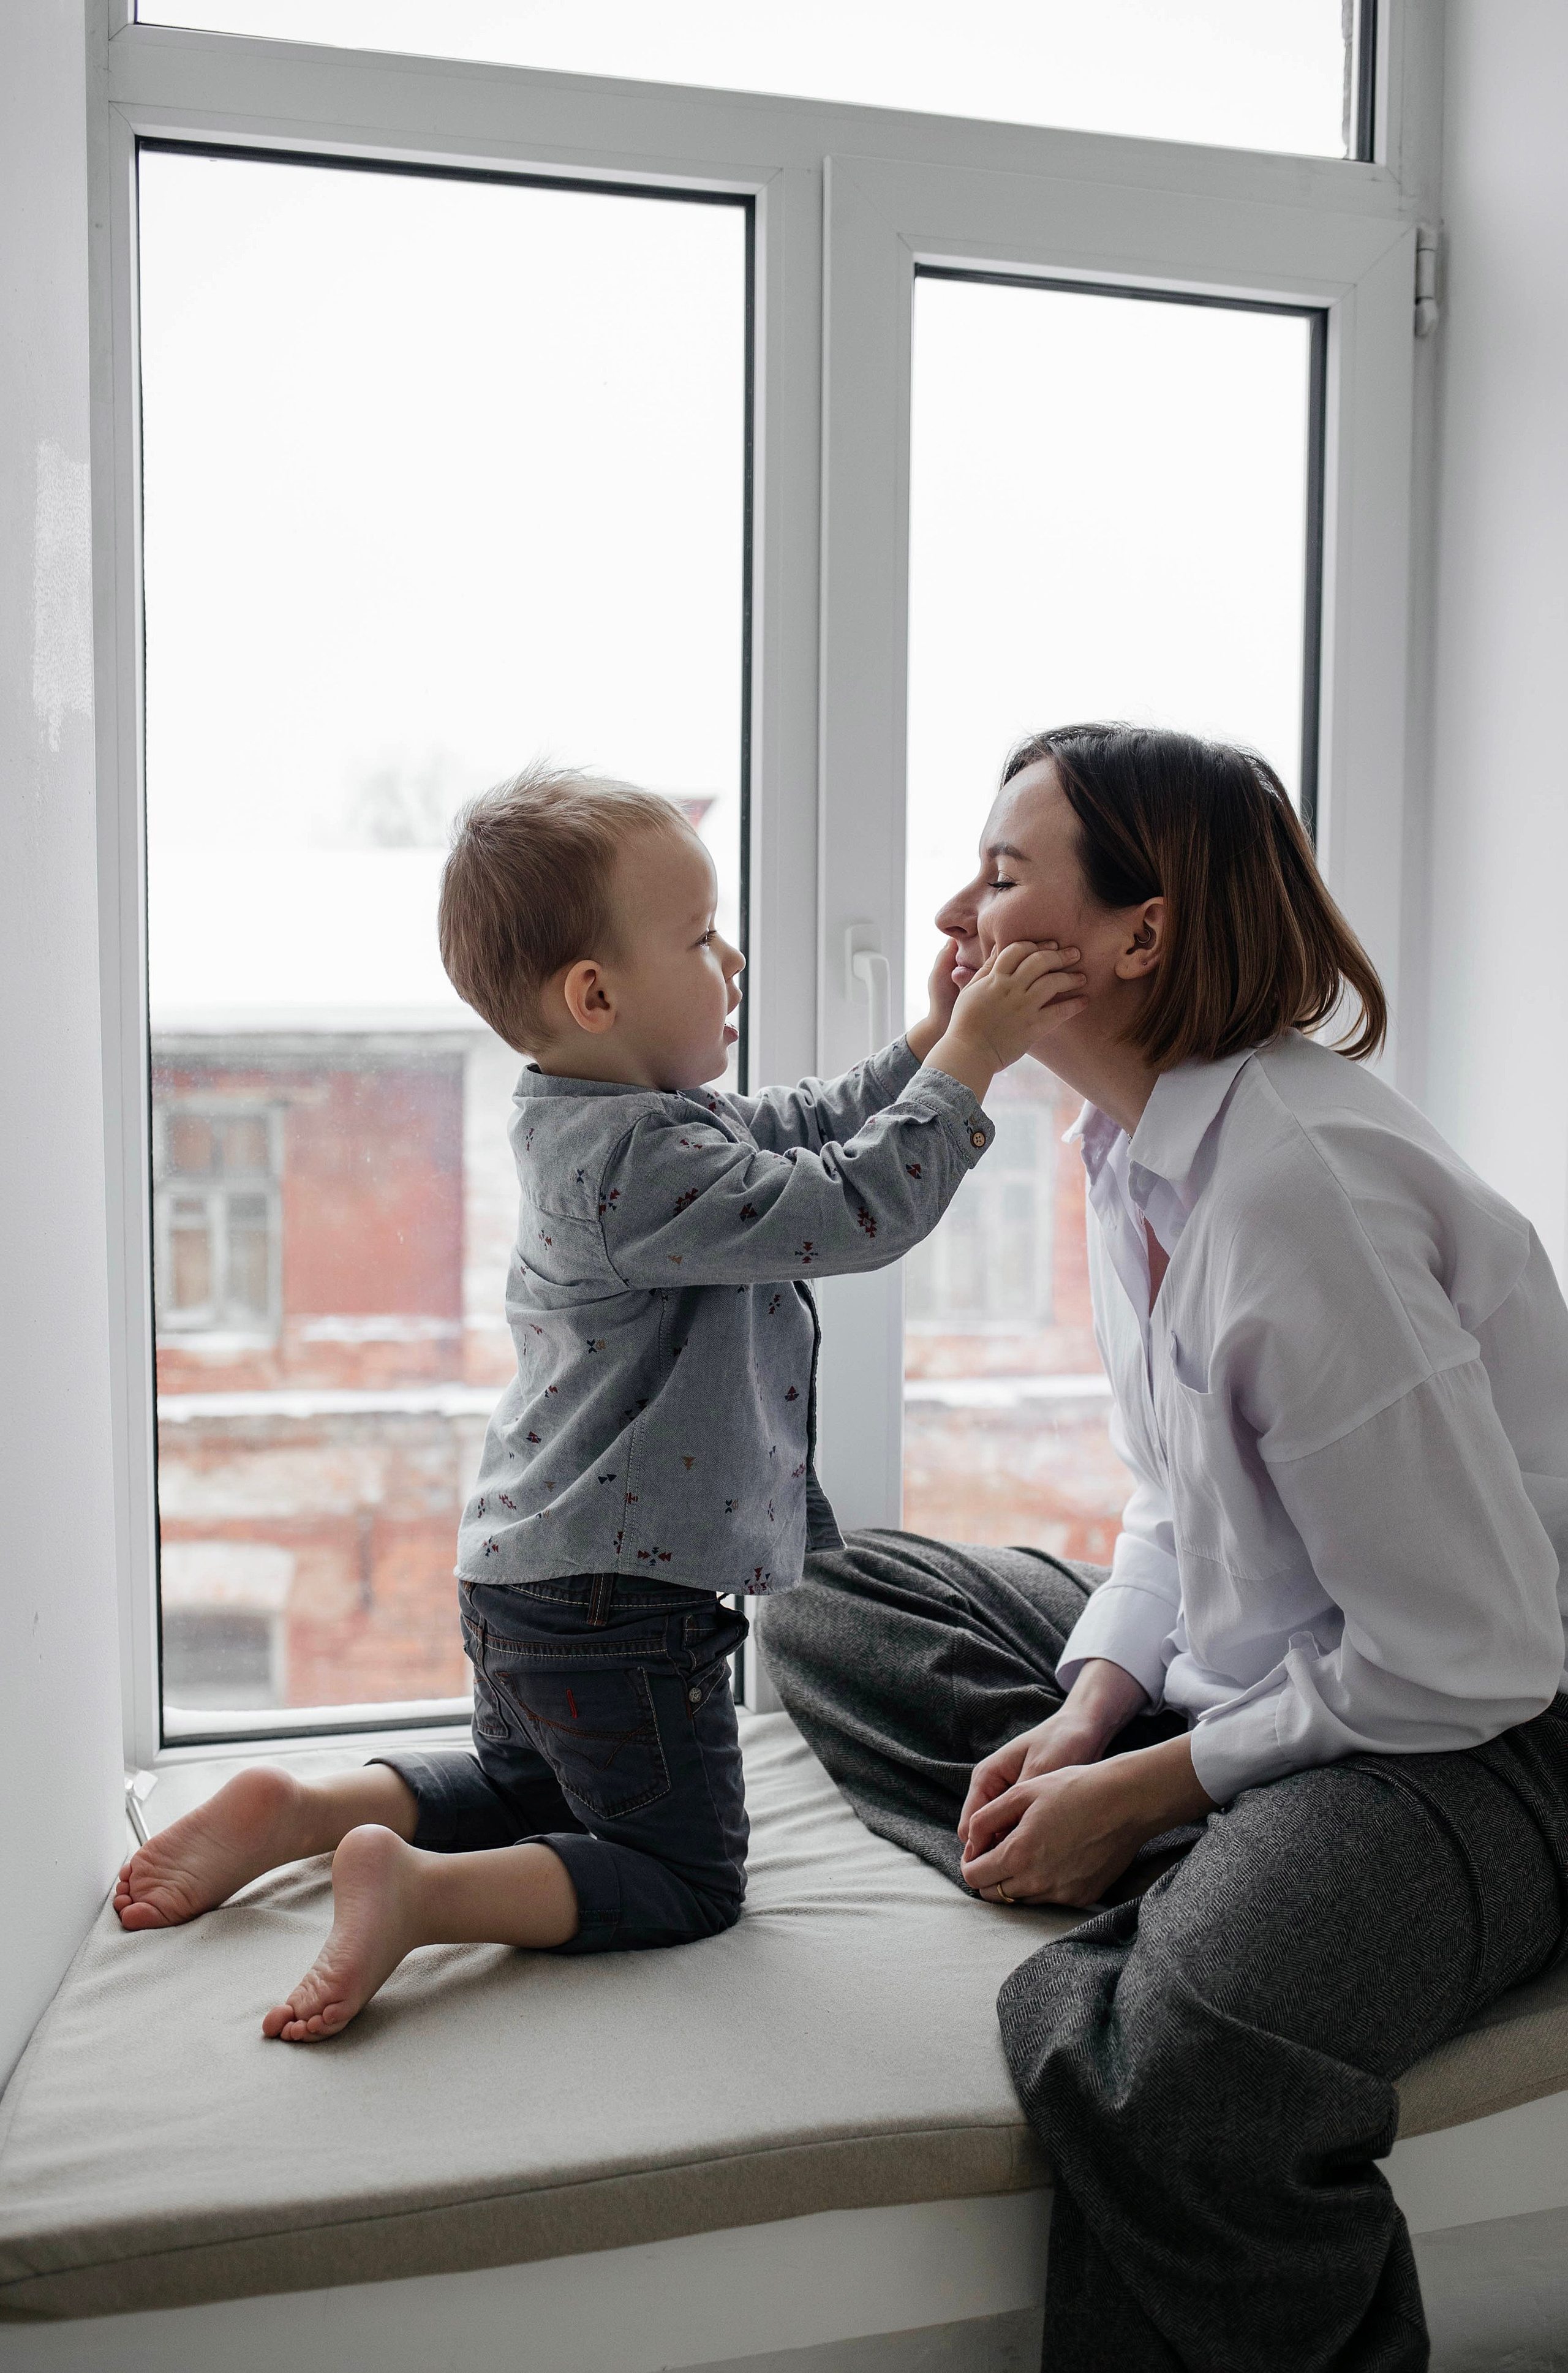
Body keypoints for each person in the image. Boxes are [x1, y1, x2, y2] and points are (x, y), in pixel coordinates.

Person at [761, 722, 1568, 2373]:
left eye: (1001, 877)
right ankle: (1244, 1883)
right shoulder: (1131, 1147)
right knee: (836, 1605)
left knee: (1168, 2065)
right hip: (1295, 1681)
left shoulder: (1298, 1189)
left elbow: (1467, 1653)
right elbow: (1173, 1492)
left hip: (1489, 1734)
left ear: (1143, 931)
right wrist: (1088, 1711)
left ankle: (1226, 1906)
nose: (955, 919)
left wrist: (1146, 1786)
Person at [113, 761, 1084, 2040]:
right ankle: (418, 1894)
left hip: (533, 1578)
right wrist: (972, 1060)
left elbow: (799, 1129)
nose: (729, 958)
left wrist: (921, 1040)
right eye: (699, 936)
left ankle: (307, 1812)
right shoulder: (640, 1162)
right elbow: (851, 1205)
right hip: (617, 1605)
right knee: (682, 1872)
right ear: (594, 992)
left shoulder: (619, 1127)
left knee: (528, 1784)